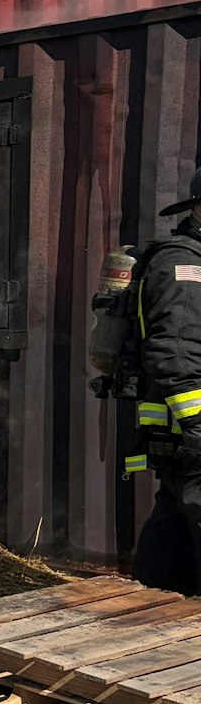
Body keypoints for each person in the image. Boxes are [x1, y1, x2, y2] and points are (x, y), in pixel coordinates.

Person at [132, 169, 201, 591]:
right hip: (189, 425)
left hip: (186, 432)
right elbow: (174, 354)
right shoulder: (185, 266)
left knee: (175, 519)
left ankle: (148, 605)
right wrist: (197, 422)